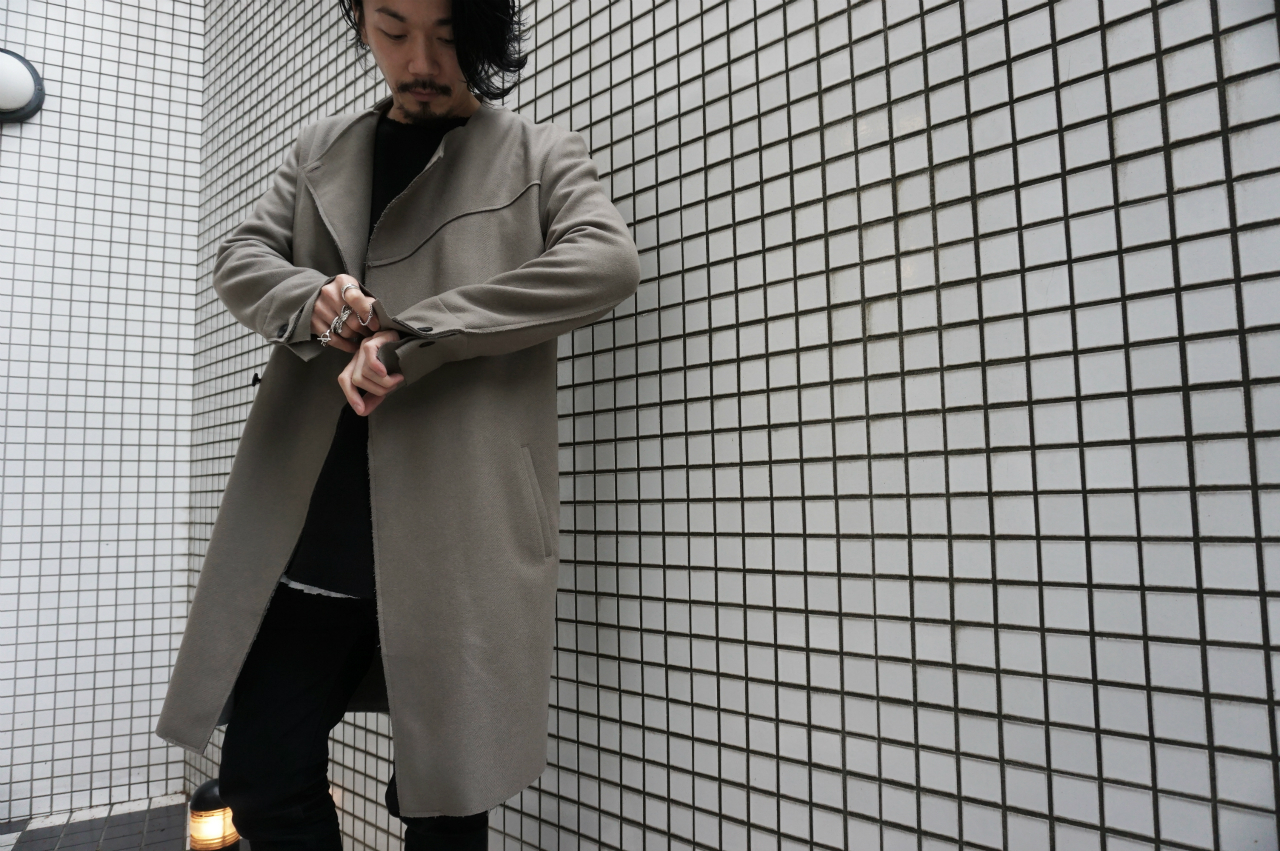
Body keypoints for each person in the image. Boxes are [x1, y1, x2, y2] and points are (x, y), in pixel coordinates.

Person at [153, 0, 640, 846]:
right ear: (362, 22)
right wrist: (313, 299)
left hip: (458, 527)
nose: (419, 60)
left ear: (483, 34)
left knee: (445, 796)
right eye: (392, 28)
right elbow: (241, 257)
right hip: (317, 526)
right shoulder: (322, 149)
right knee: (263, 779)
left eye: (447, 35)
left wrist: (419, 334)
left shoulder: (538, 154)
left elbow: (605, 260)